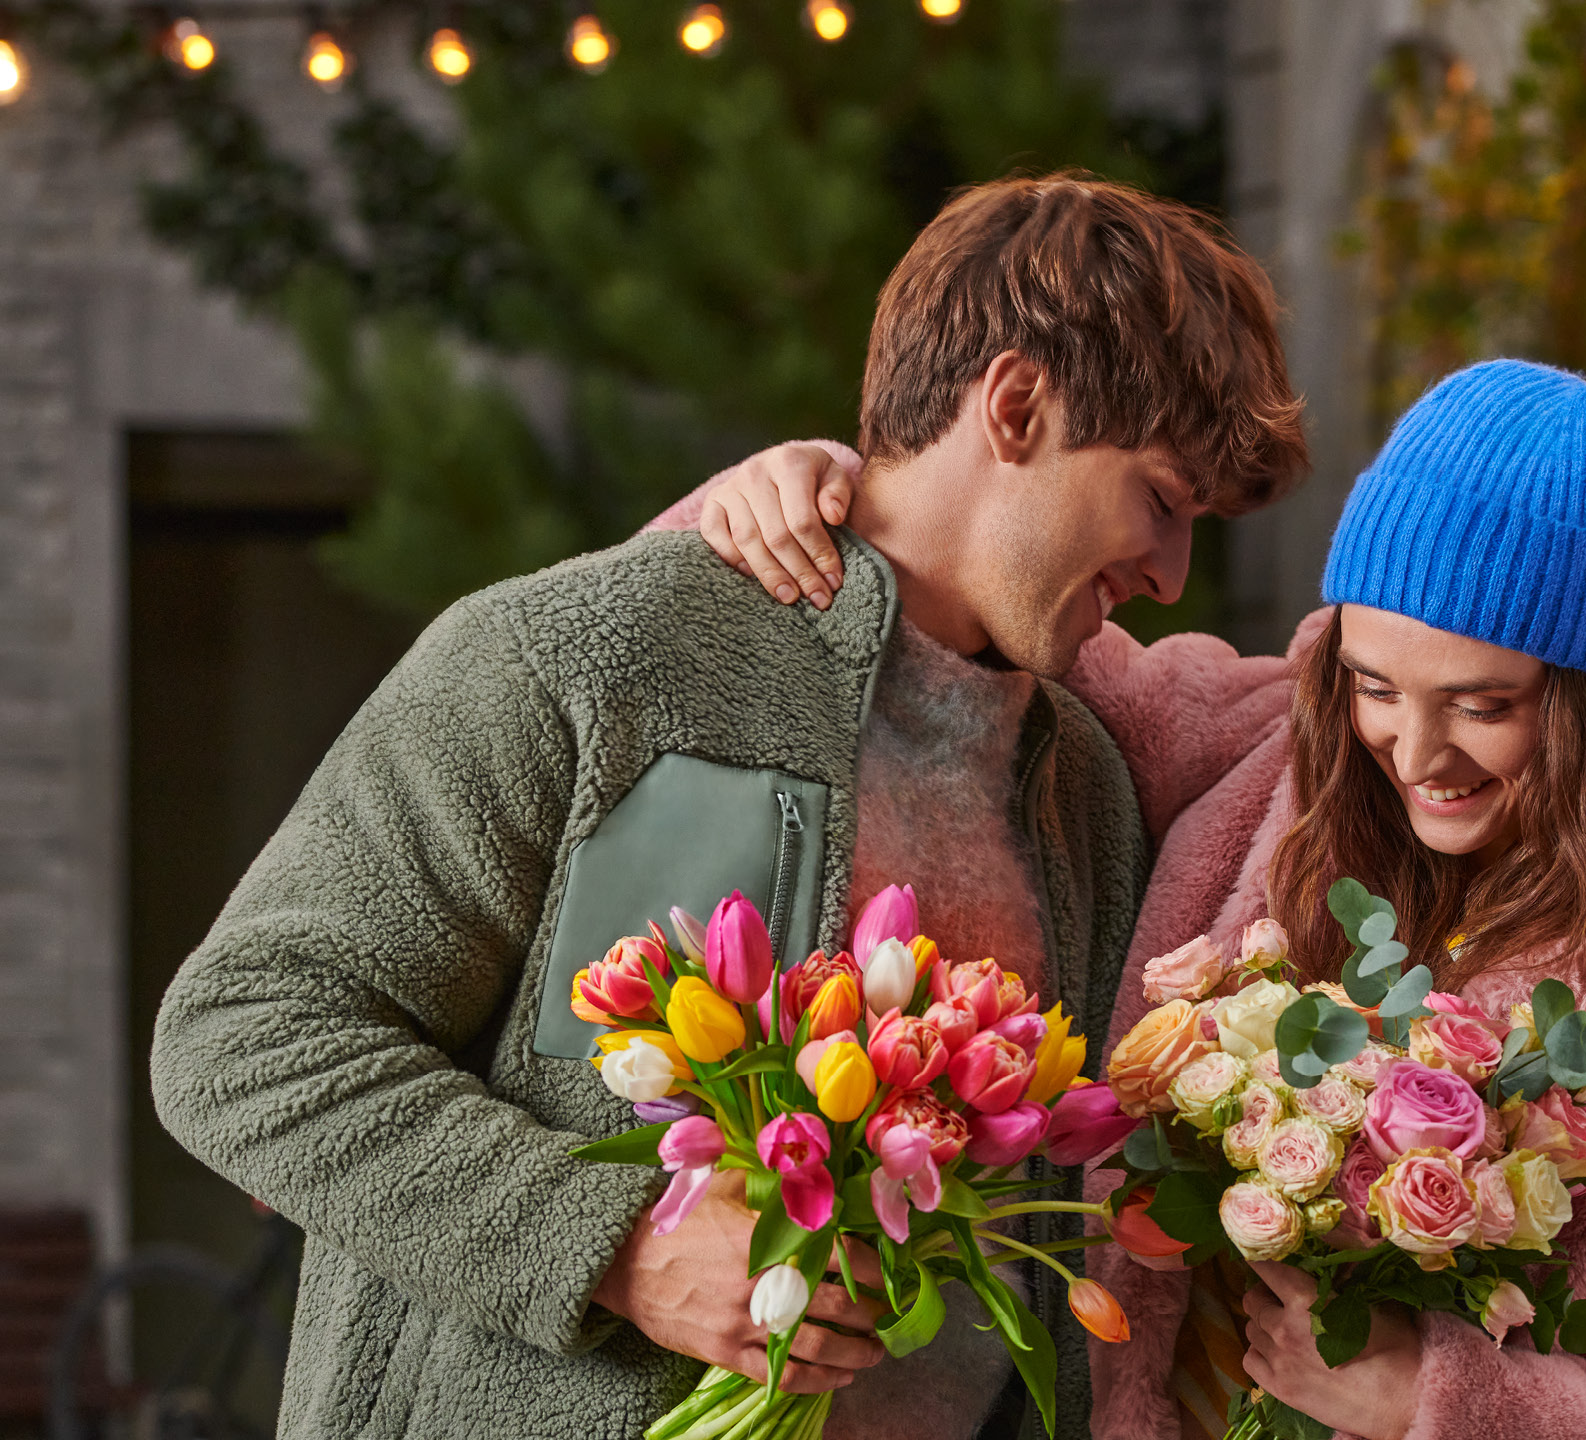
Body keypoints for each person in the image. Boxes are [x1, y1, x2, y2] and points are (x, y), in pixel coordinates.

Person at [150, 173, 1307, 1440]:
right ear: (1017, 405)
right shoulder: (585, 657)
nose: (1172, 571)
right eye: (1160, 496)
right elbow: (243, 1033)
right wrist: (619, 1246)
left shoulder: (1085, 782)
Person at [674, 358, 1586, 1440]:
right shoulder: (1275, 758)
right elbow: (987, 604)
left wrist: (1435, 1402)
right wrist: (830, 496)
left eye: (1483, 705)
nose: (1416, 752)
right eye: (1374, 685)